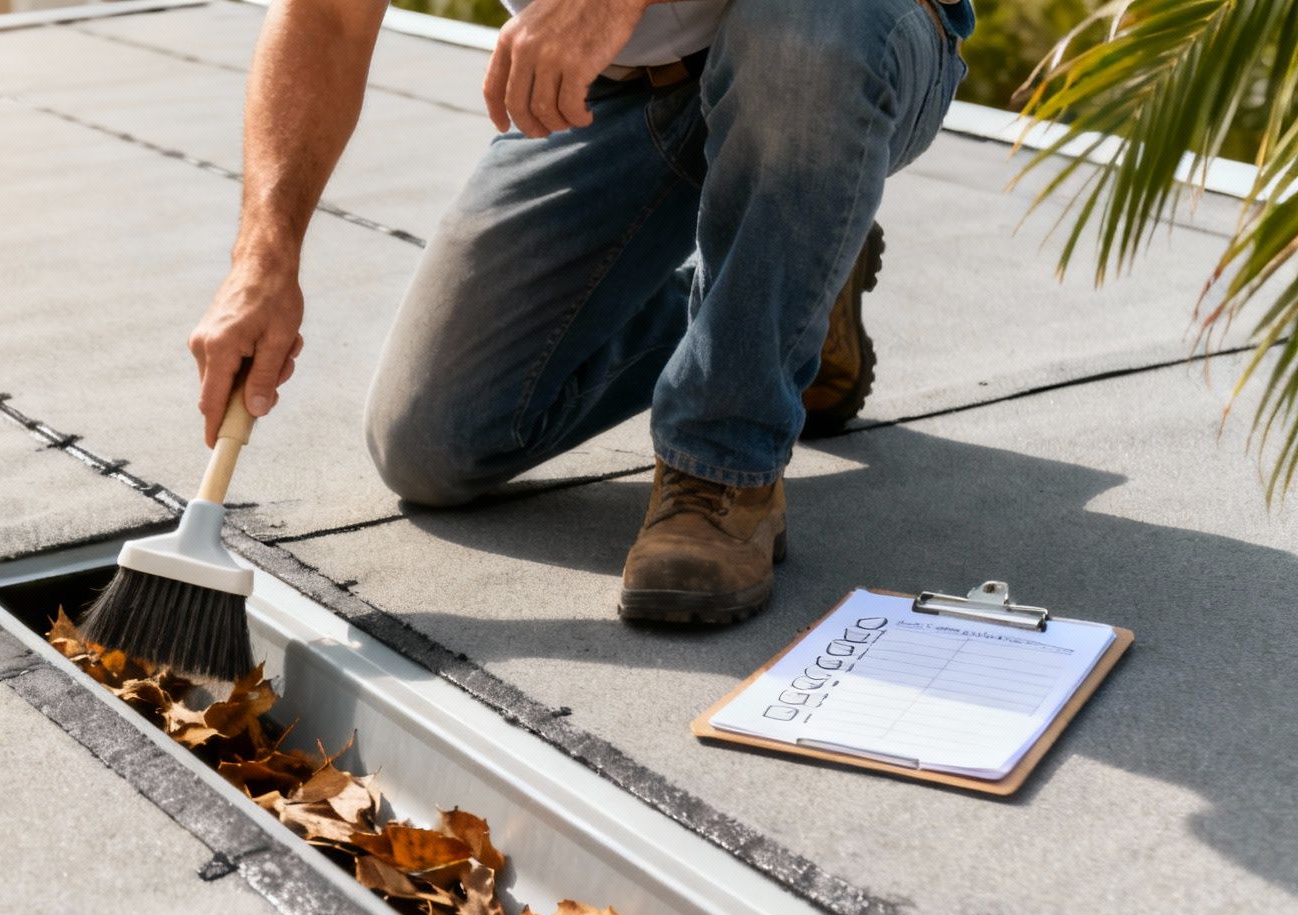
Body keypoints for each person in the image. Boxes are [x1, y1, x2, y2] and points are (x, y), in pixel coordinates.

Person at [187, 0, 973, 623]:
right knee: (434, 441)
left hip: (839, 36)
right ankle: (793, 267)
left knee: (802, 34)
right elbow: (326, 17)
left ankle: (721, 464)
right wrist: (264, 261)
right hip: (618, 91)